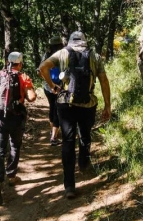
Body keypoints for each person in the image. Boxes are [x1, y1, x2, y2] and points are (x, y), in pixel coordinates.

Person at [38, 31, 111, 199]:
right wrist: (108, 106)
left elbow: (43, 68)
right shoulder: (95, 56)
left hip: (66, 104)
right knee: (85, 135)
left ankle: (69, 185)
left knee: (68, 141)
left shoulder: (62, 53)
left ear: (70, 42)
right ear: (85, 41)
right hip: (88, 103)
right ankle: (84, 164)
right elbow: (104, 80)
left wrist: (53, 86)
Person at [0, 52, 36, 206]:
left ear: (7, 62)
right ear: (20, 63)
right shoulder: (24, 77)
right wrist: (25, 91)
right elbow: (31, 97)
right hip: (16, 118)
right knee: (15, 145)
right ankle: (11, 176)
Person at [40, 36, 64, 146]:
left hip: (47, 87)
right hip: (59, 86)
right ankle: (53, 137)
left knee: (52, 108)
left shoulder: (46, 55)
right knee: (58, 110)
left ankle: (53, 131)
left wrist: (49, 83)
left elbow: (39, 71)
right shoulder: (62, 55)